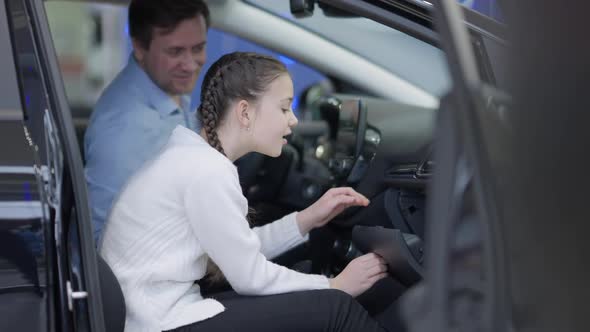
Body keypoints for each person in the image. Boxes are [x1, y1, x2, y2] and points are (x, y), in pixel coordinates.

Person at [99, 52, 395, 332]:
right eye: (283, 108)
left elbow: (238, 250)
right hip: (159, 322)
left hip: (153, 314)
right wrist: (334, 286)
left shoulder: (193, 158)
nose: (292, 119)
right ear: (245, 113)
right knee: (336, 308)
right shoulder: (206, 171)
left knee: (306, 281)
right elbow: (250, 276)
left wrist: (306, 219)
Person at [84, 0, 209, 244]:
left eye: (198, 48)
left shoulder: (167, 85)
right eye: (175, 51)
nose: (191, 64)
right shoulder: (124, 130)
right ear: (140, 47)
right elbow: (106, 244)